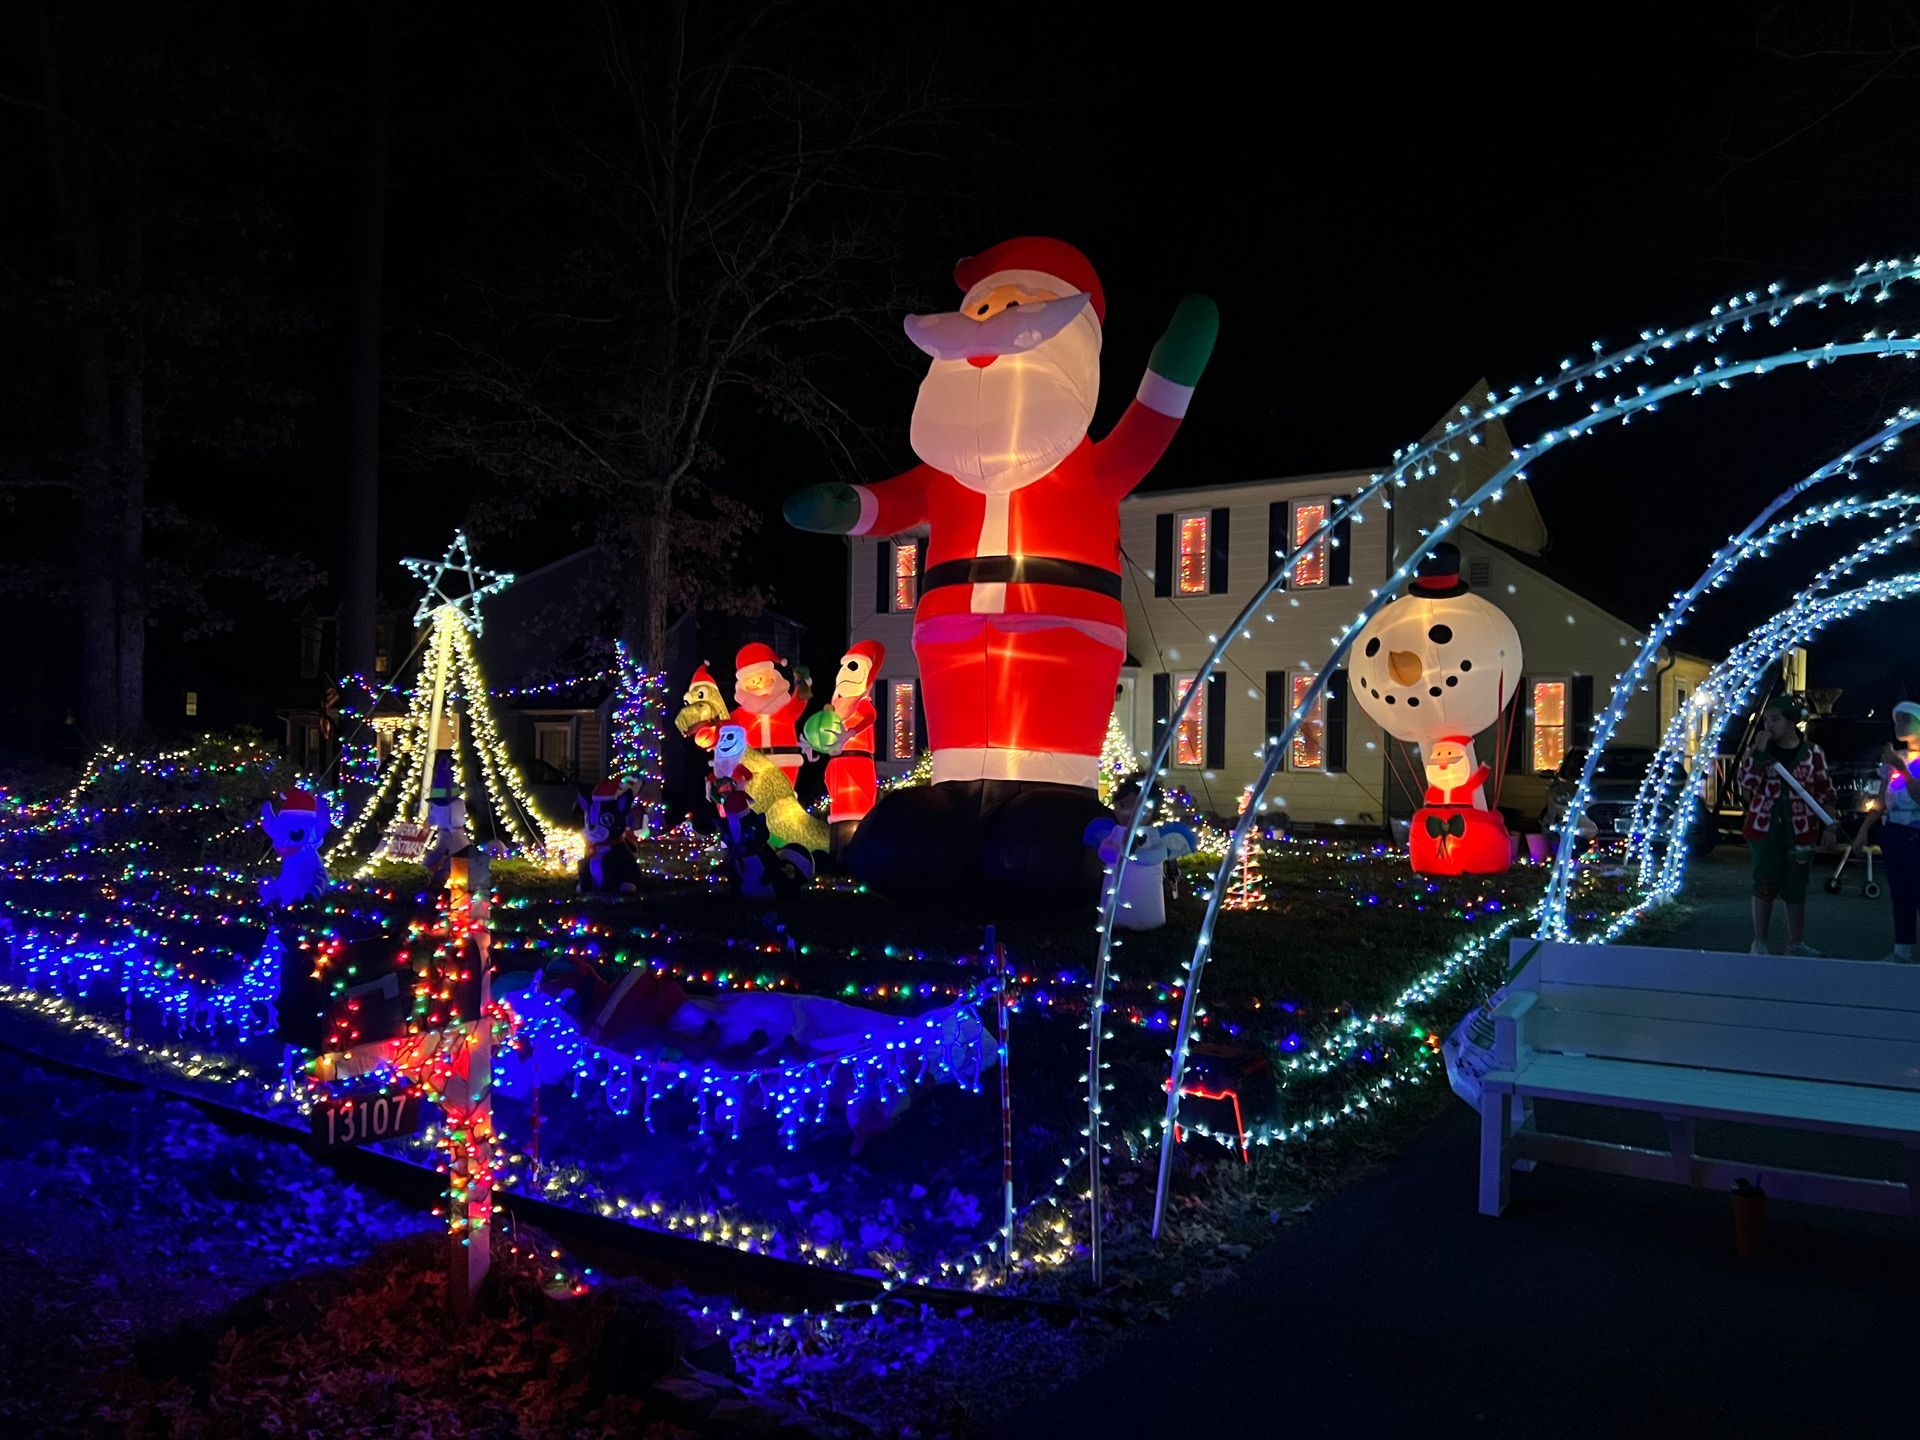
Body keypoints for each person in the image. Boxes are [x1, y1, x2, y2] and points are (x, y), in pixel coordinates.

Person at [1736, 693, 1838, 955]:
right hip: (1764, 828)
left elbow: (1825, 790)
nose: (1768, 725)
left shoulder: (1812, 753)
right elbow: (1746, 783)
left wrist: (1829, 826)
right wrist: (1758, 752)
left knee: (1796, 884)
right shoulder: (1760, 752)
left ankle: (1796, 942)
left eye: (1775, 719)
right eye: (1766, 720)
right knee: (1765, 882)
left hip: (1802, 830)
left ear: (1791, 721)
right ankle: (1759, 941)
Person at [1868, 701, 1920, 962]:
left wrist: (1901, 769)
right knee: (1900, 892)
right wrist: (1863, 831)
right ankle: (1902, 948)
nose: (1898, 725)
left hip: (1916, 834)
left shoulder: (1909, 762)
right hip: (1894, 832)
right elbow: (1880, 801)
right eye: (1896, 720)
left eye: (1905, 719)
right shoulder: (1894, 759)